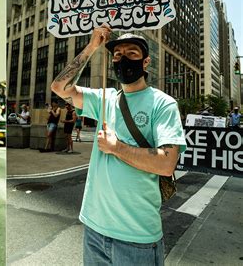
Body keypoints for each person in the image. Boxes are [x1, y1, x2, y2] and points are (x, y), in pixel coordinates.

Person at [51, 25, 186, 266]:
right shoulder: (105, 98)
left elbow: (167, 163)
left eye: (132, 53)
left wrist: (117, 148)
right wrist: (92, 46)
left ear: (146, 63)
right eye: (117, 54)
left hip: (137, 239)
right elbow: (59, 88)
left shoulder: (163, 104)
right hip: (94, 229)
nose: (123, 59)